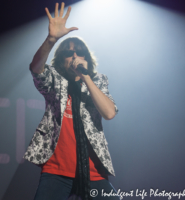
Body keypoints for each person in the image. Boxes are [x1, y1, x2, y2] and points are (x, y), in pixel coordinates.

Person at [23, 2, 120, 200]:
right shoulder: (55, 80)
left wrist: (85, 78)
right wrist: (51, 40)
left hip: (94, 171)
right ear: (61, 59)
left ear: (86, 58)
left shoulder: (98, 80)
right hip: (57, 171)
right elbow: (36, 69)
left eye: (80, 51)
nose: (74, 55)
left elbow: (109, 113)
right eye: (68, 52)